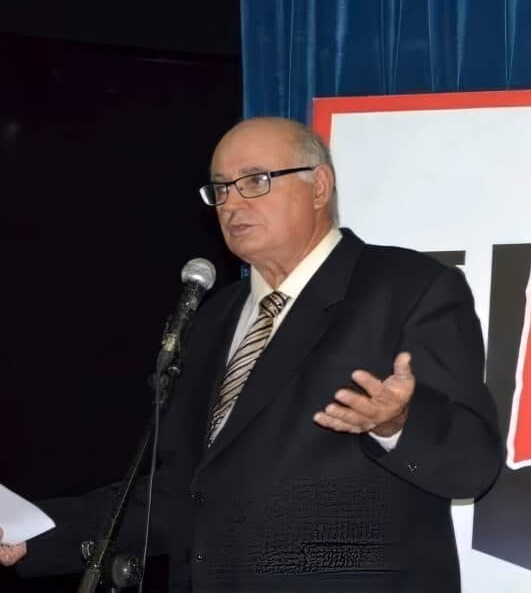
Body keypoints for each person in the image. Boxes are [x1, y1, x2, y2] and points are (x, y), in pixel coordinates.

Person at [0, 117, 503, 591]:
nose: (232, 203)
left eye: (255, 181)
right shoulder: (213, 316)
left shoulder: (407, 289)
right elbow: (181, 491)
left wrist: (398, 424)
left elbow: (473, 464)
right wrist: (35, 534)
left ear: (319, 187)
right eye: (220, 188)